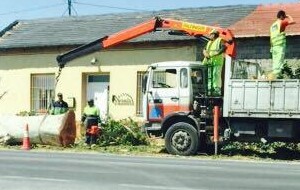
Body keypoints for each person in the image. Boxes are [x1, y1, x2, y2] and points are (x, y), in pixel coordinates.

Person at [270, 10, 295, 79]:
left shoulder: (272, 25)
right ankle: (277, 76)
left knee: (275, 61)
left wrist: (271, 46)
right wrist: (288, 16)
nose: (284, 18)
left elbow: (271, 36)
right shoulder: (282, 22)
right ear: (281, 16)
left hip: (274, 46)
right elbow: (293, 21)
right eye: (284, 16)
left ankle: (274, 74)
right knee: (279, 60)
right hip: (280, 45)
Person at [202, 29, 226, 96]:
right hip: (210, 62)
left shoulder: (220, 40)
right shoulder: (209, 42)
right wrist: (205, 53)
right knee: (210, 75)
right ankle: (210, 89)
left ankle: (217, 89)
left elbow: (223, 47)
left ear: (213, 34)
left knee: (216, 75)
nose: (209, 36)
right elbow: (204, 49)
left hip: (217, 62)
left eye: (210, 34)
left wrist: (216, 53)